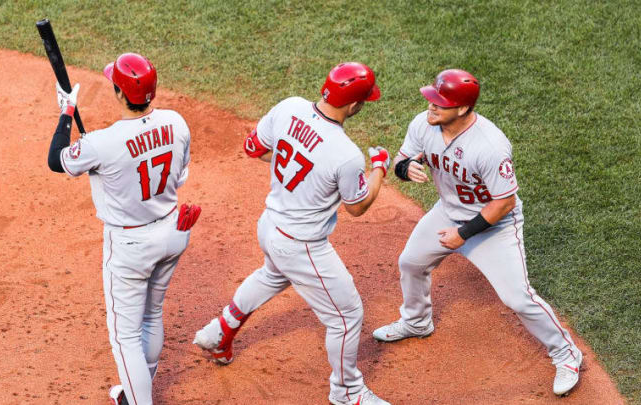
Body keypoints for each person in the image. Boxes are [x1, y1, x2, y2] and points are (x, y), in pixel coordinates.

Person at [372, 69, 583, 396]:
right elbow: (403, 157)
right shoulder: (424, 124)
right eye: (431, 100)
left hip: (494, 227)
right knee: (411, 263)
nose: (431, 107)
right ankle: (416, 322)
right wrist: (404, 168)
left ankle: (566, 352)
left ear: (462, 109)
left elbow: (504, 202)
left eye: (439, 104)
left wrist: (463, 234)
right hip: (447, 212)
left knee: (517, 297)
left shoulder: (490, 145)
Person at [193, 62, 392, 405]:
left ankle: (219, 334)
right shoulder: (346, 155)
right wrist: (379, 168)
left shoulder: (289, 107)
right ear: (354, 105)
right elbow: (357, 207)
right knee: (347, 316)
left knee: (271, 275)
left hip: (270, 224)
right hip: (301, 245)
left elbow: (253, 147)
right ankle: (347, 392)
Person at [47, 53, 201, 405]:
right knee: (152, 313)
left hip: (132, 245)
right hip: (173, 230)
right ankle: (135, 394)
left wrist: (66, 113)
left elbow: (56, 159)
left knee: (124, 336)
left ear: (119, 93)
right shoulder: (176, 123)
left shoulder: (103, 143)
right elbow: (179, 177)